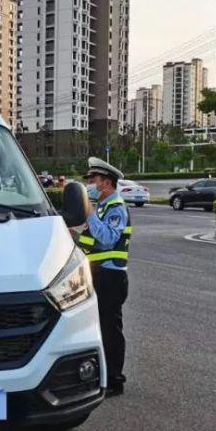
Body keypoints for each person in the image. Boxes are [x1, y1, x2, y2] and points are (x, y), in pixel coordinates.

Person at [74, 156, 132, 397]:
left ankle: (115, 380)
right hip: (98, 274)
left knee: (110, 330)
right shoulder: (102, 207)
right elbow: (93, 243)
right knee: (99, 327)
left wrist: (88, 213)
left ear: (106, 183)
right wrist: (74, 237)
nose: (89, 184)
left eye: (93, 179)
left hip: (111, 277)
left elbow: (108, 238)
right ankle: (103, 376)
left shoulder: (115, 207)